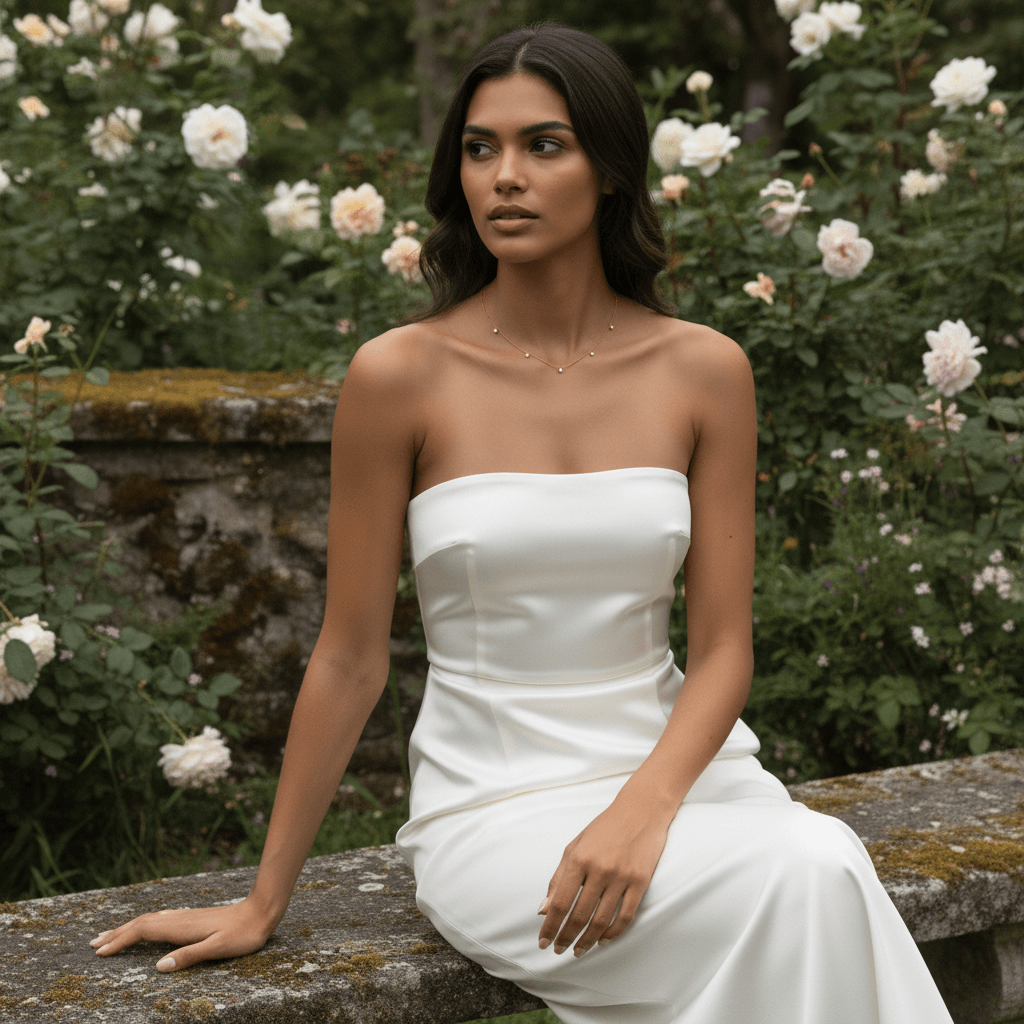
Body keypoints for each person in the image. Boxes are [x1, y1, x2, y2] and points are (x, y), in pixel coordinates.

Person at [91, 23, 954, 1023]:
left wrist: (641, 808)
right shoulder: (398, 375)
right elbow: (348, 656)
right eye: (479, 147)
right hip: (493, 808)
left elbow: (721, 649)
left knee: (816, 861)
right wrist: (263, 896)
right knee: (807, 879)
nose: (505, 175)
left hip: (686, 782)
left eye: (543, 145)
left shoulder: (704, 370)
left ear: (611, 169)